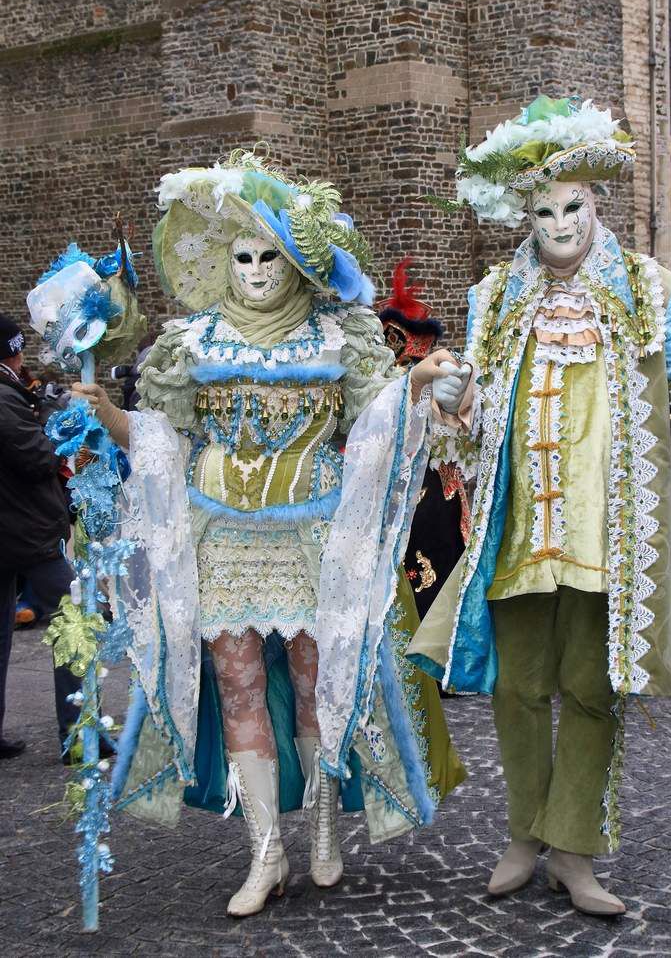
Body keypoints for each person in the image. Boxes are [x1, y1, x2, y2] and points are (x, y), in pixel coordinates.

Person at [321, 95, 671, 917]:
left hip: (609, 533)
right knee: (517, 688)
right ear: (522, 214)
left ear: (597, 205)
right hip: (520, 530)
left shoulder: (646, 287)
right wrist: (451, 399)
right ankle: (525, 832)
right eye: (542, 210)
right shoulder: (496, 297)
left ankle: (574, 849)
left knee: (592, 688)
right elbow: (472, 423)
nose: (558, 223)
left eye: (572, 207)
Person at [70, 152, 464, 918]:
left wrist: (414, 385)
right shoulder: (192, 345)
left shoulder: (339, 338)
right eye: (242, 256)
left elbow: (376, 419)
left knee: (320, 684)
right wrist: (111, 419)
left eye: (269, 256)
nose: (254, 270)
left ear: (296, 261)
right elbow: (165, 436)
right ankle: (263, 852)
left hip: (316, 536)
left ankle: (321, 831)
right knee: (239, 683)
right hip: (220, 539)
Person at [0, 315, 81, 761]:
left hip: (12, 531)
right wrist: (52, 418)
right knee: (73, 624)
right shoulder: (4, 398)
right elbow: (38, 458)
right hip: (26, 532)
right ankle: (80, 734)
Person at [376, 257, 469, 622]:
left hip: (433, 494)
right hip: (398, 492)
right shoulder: (392, 388)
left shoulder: (427, 387)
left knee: (440, 576)